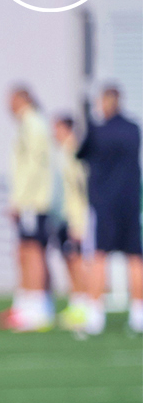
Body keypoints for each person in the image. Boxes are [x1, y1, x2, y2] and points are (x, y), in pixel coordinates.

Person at [77, 84, 143, 334]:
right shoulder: (133, 129)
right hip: (129, 202)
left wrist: (88, 125)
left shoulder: (98, 131)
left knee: (99, 257)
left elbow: (80, 153)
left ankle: (95, 315)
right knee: (135, 258)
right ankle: (139, 314)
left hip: (104, 204)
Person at [1, 86, 56, 332]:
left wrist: (20, 199)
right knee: (24, 250)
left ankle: (38, 307)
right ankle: (27, 303)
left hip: (33, 201)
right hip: (28, 201)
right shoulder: (27, 125)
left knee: (34, 250)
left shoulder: (33, 124)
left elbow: (34, 166)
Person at [52, 115, 101, 336]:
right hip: (64, 214)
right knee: (69, 259)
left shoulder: (75, 151)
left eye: (57, 128)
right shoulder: (62, 152)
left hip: (77, 216)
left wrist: (81, 221)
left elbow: (83, 187)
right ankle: (77, 300)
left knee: (79, 259)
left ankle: (85, 302)